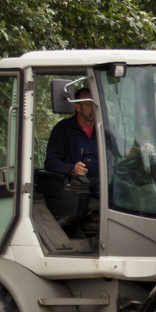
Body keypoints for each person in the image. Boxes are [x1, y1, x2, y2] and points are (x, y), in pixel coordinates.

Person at [44, 84, 101, 236]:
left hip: (104, 180)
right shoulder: (63, 130)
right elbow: (50, 162)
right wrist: (72, 169)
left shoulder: (102, 130)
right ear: (77, 107)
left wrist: (136, 150)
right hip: (79, 186)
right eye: (89, 104)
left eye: (95, 104)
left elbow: (119, 149)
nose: (93, 108)